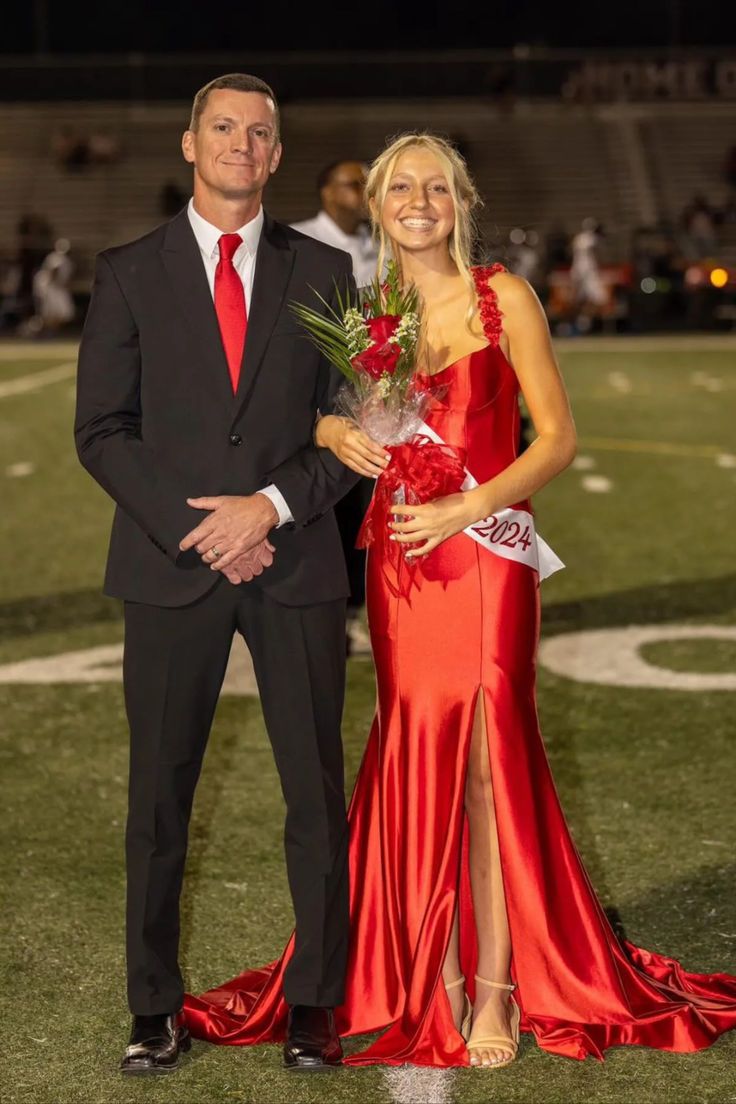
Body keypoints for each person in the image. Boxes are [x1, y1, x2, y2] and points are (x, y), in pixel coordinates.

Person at [184, 135, 736, 1067]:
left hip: (484, 556)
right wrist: (333, 427)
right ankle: (429, 974)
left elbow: (555, 438)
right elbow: (329, 414)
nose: (418, 201)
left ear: (460, 200)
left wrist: (473, 503)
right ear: (379, 204)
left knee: (486, 766)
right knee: (414, 760)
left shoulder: (504, 296)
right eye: (402, 187)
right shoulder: (368, 313)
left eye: (436, 187)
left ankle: (495, 989)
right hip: (402, 564)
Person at [75, 72, 358, 1076]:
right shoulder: (127, 272)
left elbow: (356, 424)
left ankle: (318, 1003)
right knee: (158, 798)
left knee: (314, 795)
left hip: (294, 561)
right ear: (190, 145)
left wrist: (270, 508)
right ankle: (151, 1007)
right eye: (224, 127)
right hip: (171, 566)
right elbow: (101, 433)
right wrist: (200, 529)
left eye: (261, 132)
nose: (243, 143)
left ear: (278, 156)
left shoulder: (325, 273)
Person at [292, 160, 379, 653]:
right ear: (326, 192)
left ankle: (366, 607)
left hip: (378, 397)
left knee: (374, 506)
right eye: (353, 183)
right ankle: (331, 611)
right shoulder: (298, 241)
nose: (363, 191)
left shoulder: (381, 243)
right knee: (331, 507)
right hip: (322, 398)